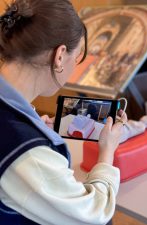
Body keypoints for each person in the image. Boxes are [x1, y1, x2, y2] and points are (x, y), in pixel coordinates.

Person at [0, 0, 127, 224]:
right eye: (76, 58)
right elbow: (94, 214)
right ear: (59, 56)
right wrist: (107, 153)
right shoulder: (28, 152)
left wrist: (31, 125)